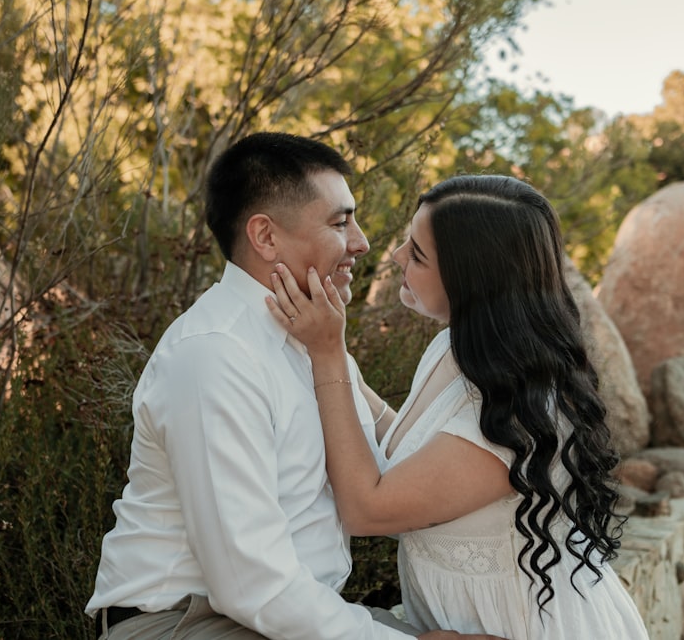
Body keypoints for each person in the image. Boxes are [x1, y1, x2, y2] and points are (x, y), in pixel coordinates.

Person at [85, 133, 506, 640]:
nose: (362, 242)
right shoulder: (215, 356)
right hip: (183, 623)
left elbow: (391, 485)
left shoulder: (313, 338)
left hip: (273, 614)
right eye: (340, 221)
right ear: (265, 237)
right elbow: (249, 582)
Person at [267, 174, 651, 639]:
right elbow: (406, 448)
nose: (395, 257)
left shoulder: (520, 415)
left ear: (473, 281)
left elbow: (367, 509)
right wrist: (329, 351)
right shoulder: (457, 348)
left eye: (418, 254)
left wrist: (328, 354)